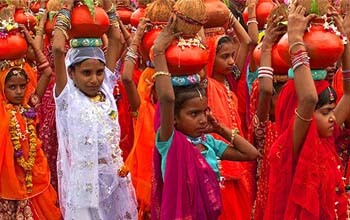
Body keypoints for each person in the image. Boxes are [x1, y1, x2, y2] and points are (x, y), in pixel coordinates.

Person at [151, 16, 259, 219]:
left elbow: (251, 154)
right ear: (174, 118)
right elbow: (166, 98)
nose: (202, 119)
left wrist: (220, 129)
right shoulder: (170, 142)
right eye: (193, 114)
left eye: (203, 112)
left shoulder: (209, 143)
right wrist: (158, 52)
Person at [52, 0, 138, 219]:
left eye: (99, 72)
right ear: (71, 73)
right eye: (86, 73)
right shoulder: (67, 97)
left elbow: (116, 37)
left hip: (114, 177)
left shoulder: (107, 88)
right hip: (84, 186)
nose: (94, 79)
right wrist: (68, 7)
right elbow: (57, 49)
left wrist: (108, 5)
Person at [265, 2, 350, 219]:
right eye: (325, 112)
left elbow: (349, 95)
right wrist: (295, 40)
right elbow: (309, 98)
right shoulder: (293, 144)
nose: (333, 118)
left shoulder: (324, 136)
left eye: (332, 111)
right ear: (299, 112)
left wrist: (346, 41)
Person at [0, 24, 61, 219]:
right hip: (8, 184)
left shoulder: (29, 106)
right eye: (12, 87)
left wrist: (31, 43)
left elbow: (47, 72)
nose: (18, 92)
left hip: (33, 177)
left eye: (22, 86)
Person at [248, 12, 286, 220]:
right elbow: (265, 90)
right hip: (270, 198)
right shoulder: (263, 129)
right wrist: (267, 45)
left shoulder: (300, 123)